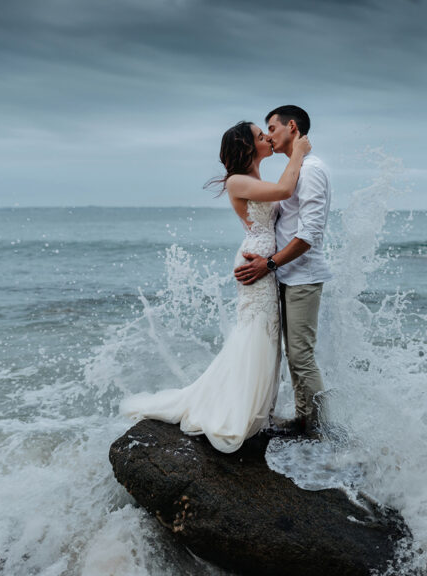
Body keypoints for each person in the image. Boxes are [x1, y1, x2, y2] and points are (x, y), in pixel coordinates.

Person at [120, 120, 311, 453]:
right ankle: (238, 410)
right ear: (247, 146)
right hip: (254, 264)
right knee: (255, 333)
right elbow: (284, 191)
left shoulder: (254, 178)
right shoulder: (238, 181)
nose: (266, 137)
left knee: (264, 335)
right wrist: (299, 152)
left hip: (265, 263)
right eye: (259, 134)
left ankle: (259, 409)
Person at [235, 105, 332, 436]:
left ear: (292, 127)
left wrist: (270, 262)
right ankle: (304, 419)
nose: (269, 137)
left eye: (272, 129)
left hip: (302, 274)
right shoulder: (295, 168)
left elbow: (309, 233)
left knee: (301, 356)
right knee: (293, 356)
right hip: (285, 274)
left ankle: (321, 430)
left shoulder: (312, 169)